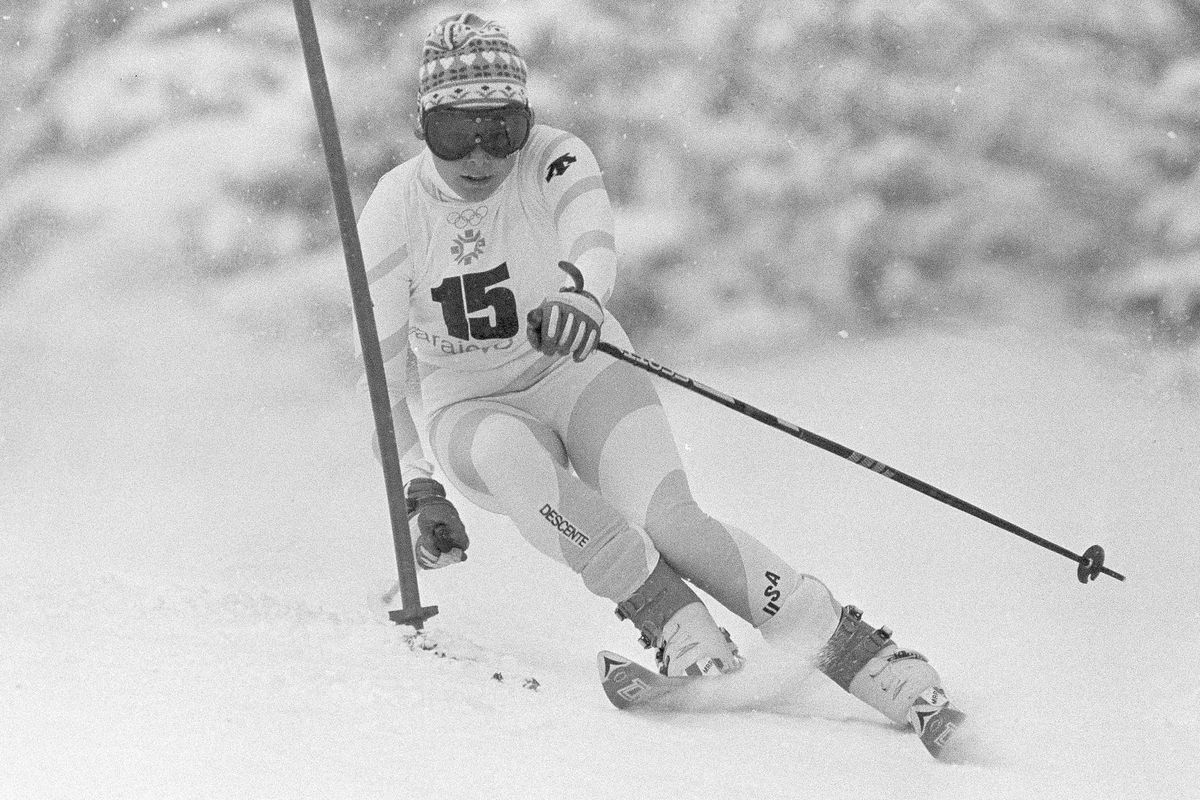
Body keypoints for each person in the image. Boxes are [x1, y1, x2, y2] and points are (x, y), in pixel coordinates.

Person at [355, 12, 965, 756]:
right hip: (472, 404)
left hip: (579, 363)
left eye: (502, 127)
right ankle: (679, 626)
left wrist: (582, 296)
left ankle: (864, 657)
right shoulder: (395, 208)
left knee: (673, 522)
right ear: (423, 127)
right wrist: (418, 487)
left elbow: (592, 235)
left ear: (527, 123)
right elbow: (384, 369)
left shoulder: (553, 158)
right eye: (456, 132)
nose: (481, 153)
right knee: (515, 458)